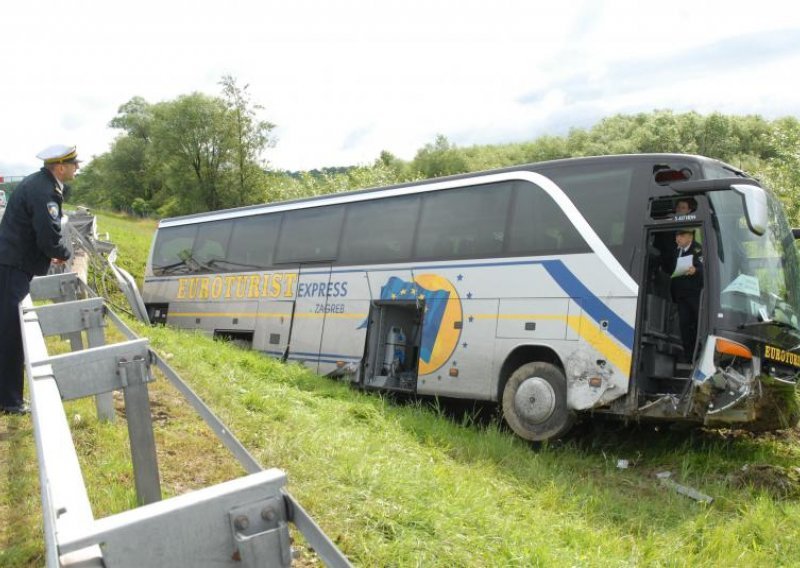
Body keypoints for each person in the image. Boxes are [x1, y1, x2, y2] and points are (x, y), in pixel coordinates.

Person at [0, 145, 77, 414]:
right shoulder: (45, 190)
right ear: (60, 167)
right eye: (73, 164)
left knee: (7, 329)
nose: (76, 168)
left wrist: (50, 251)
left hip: (12, 263)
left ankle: (7, 398)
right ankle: (9, 401)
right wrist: (62, 253)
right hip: (13, 266)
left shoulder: (39, 183)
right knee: (9, 334)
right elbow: (47, 233)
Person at [671, 228, 703, 363]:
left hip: (694, 295)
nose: (678, 238)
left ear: (690, 236)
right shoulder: (676, 251)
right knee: (684, 326)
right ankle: (689, 357)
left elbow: (705, 269)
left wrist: (695, 270)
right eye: (677, 235)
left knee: (697, 324)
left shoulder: (698, 249)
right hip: (681, 296)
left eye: (681, 235)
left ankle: (698, 356)